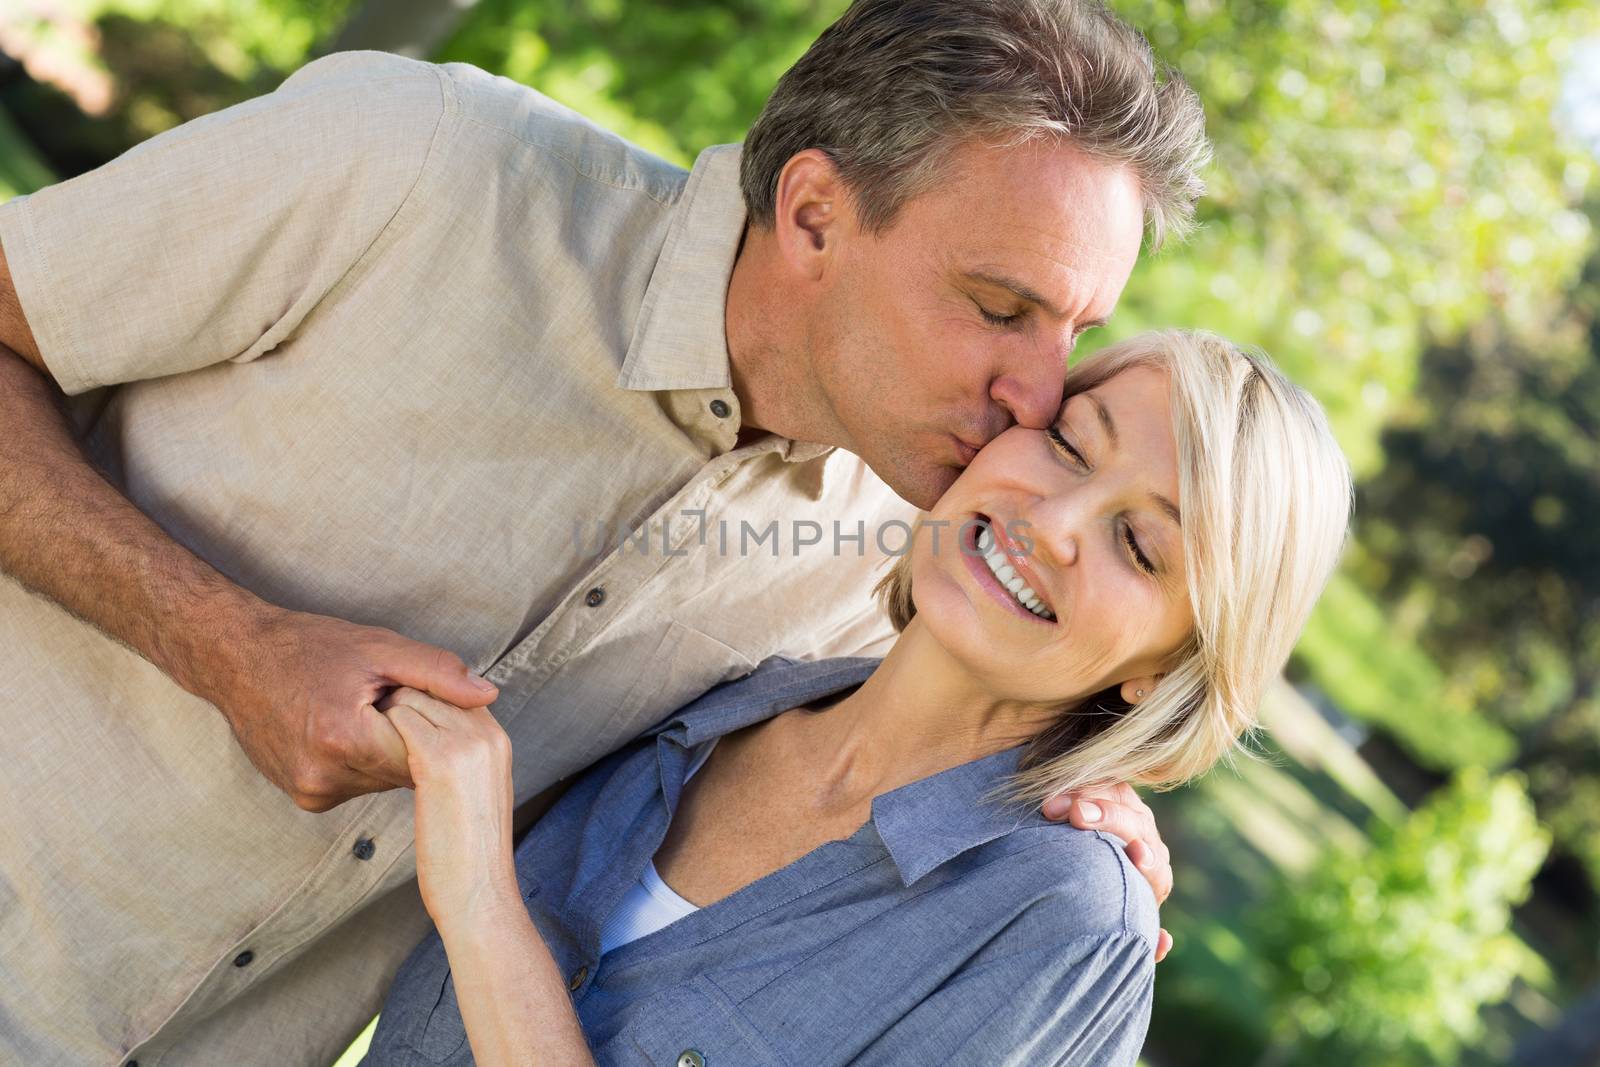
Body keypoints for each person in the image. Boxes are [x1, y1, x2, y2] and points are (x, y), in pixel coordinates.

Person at [0, 2, 1209, 1063]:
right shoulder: (416, 169)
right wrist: (225, 640)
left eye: (1075, 331)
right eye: (1001, 308)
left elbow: (985, 717)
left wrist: (1089, 823)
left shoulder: (893, 559)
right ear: (814, 213)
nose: (1038, 392)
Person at [360, 329, 1354, 1065]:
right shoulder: (716, 701)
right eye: (1066, 444)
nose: (1052, 522)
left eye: (1139, 545)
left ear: (1169, 667)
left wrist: (484, 903)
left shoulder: (1060, 922)